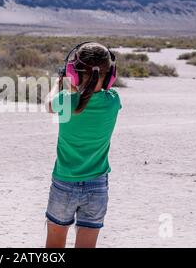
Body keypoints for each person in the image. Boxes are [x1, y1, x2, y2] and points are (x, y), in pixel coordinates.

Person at [44, 42, 122, 248]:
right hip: (97, 186)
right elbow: (91, 95)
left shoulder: (66, 100)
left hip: (64, 183)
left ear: (74, 73)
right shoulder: (113, 101)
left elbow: (49, 105)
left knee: (54, 245)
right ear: (111, 74)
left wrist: (58, 84)